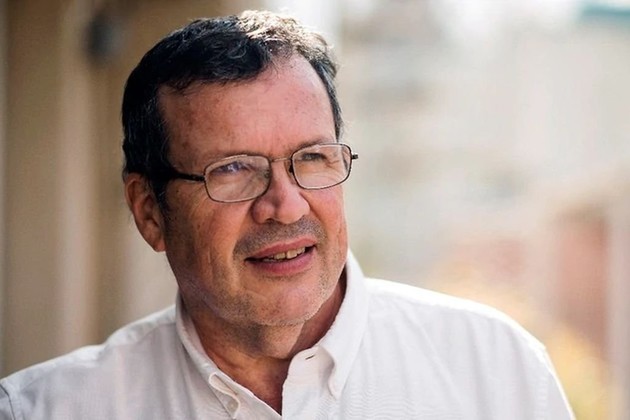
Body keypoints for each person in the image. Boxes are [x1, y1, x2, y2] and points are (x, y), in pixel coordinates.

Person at [0, 10, 574, 419]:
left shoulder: (497, 373)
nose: (286, 205)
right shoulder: (46, 409)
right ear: (150, 212)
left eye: (313, 158)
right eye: (233, 169)